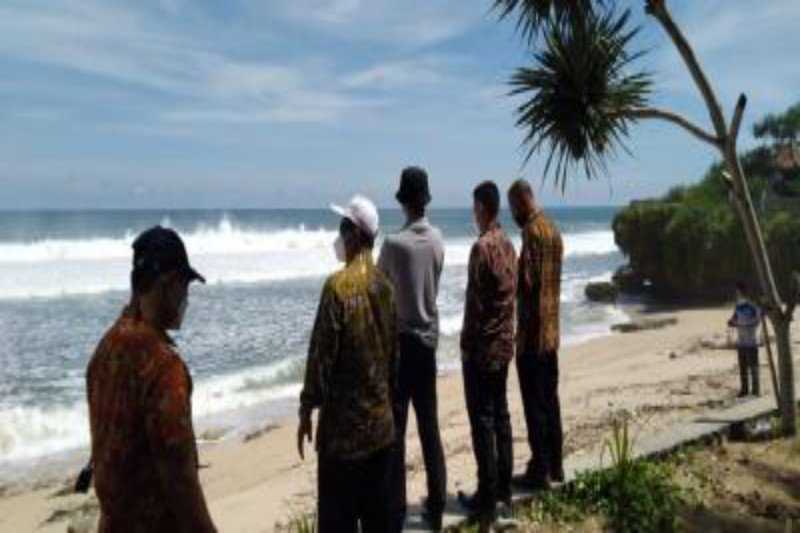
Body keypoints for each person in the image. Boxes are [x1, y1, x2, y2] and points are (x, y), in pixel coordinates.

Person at [86, 226, 217, 533]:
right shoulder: (162, 367)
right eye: (185, 286)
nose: (186, 298)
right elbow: (180, 482)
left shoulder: (105, 350)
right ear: (167, 284)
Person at [298, 195, 399, 533]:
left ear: (356, 235)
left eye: (343, 228)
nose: (339, 235)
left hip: (342, 441)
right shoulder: (386, 287)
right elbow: (393, 358)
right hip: (382, 433)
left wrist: (305, 409)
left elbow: (320, 359)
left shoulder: (337, 288)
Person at [378, 166, 447, 531]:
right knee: (430, 426)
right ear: (426, 200)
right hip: (428, 341)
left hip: (401, 344)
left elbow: (379, 289)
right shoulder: (438, 240)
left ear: (404, 201)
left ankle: (397, 510)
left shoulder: (393, 244)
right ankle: (436, 507)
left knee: (398, 430)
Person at [457, 181, 517, 526]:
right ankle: (503, 491)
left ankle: (486, 498)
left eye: (474, 206)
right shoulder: (509, 245)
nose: (473, 212)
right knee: (502, 417)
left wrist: (466, 346)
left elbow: (475, 306)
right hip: (505, 344)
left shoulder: (481, 248)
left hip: (482, 350)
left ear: (483, 207)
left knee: (482, 422)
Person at [507, 179, 565, 491]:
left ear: (521, 200)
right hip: (552, 332)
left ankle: (539, 469)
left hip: (531, 335)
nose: (512, 214)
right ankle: (556, 465)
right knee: (551, 401)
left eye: (513, 207)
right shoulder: (554, 230)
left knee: (534, 405)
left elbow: (526, 282)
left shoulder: (531, 232)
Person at [728, 281, 761, 397]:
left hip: (751, 341)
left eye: (737, 291)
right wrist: (731, 322)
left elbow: (757, 321)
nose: (736, 294)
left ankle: (756, 391)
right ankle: (744, 390)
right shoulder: (738, 305)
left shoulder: (752, 305)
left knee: (753, 367)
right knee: (742, 368)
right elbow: (733, 319)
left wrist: (741, 323)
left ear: (742, 291)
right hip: (741, 342)